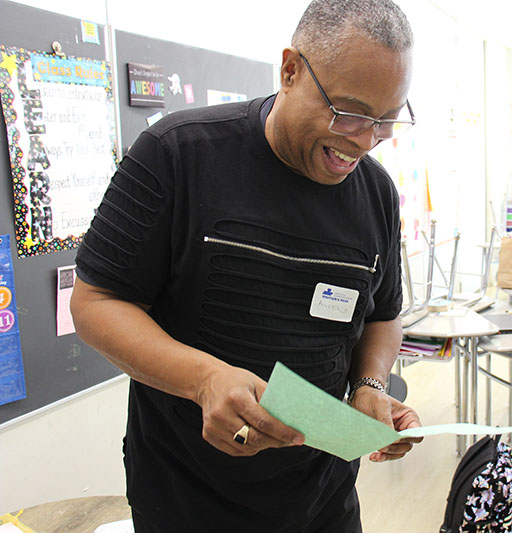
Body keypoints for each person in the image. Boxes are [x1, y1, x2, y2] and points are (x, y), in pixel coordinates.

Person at [70, 1, 422, 531]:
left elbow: (383, 314)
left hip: (322, 501)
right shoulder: (178, 154)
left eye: (386, 120)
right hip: (185, 498)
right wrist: (204, 379)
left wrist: (370, 385)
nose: (364, 139)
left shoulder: (375, 193)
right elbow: (95, 303)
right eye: (348, 112)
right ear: (290, 71)